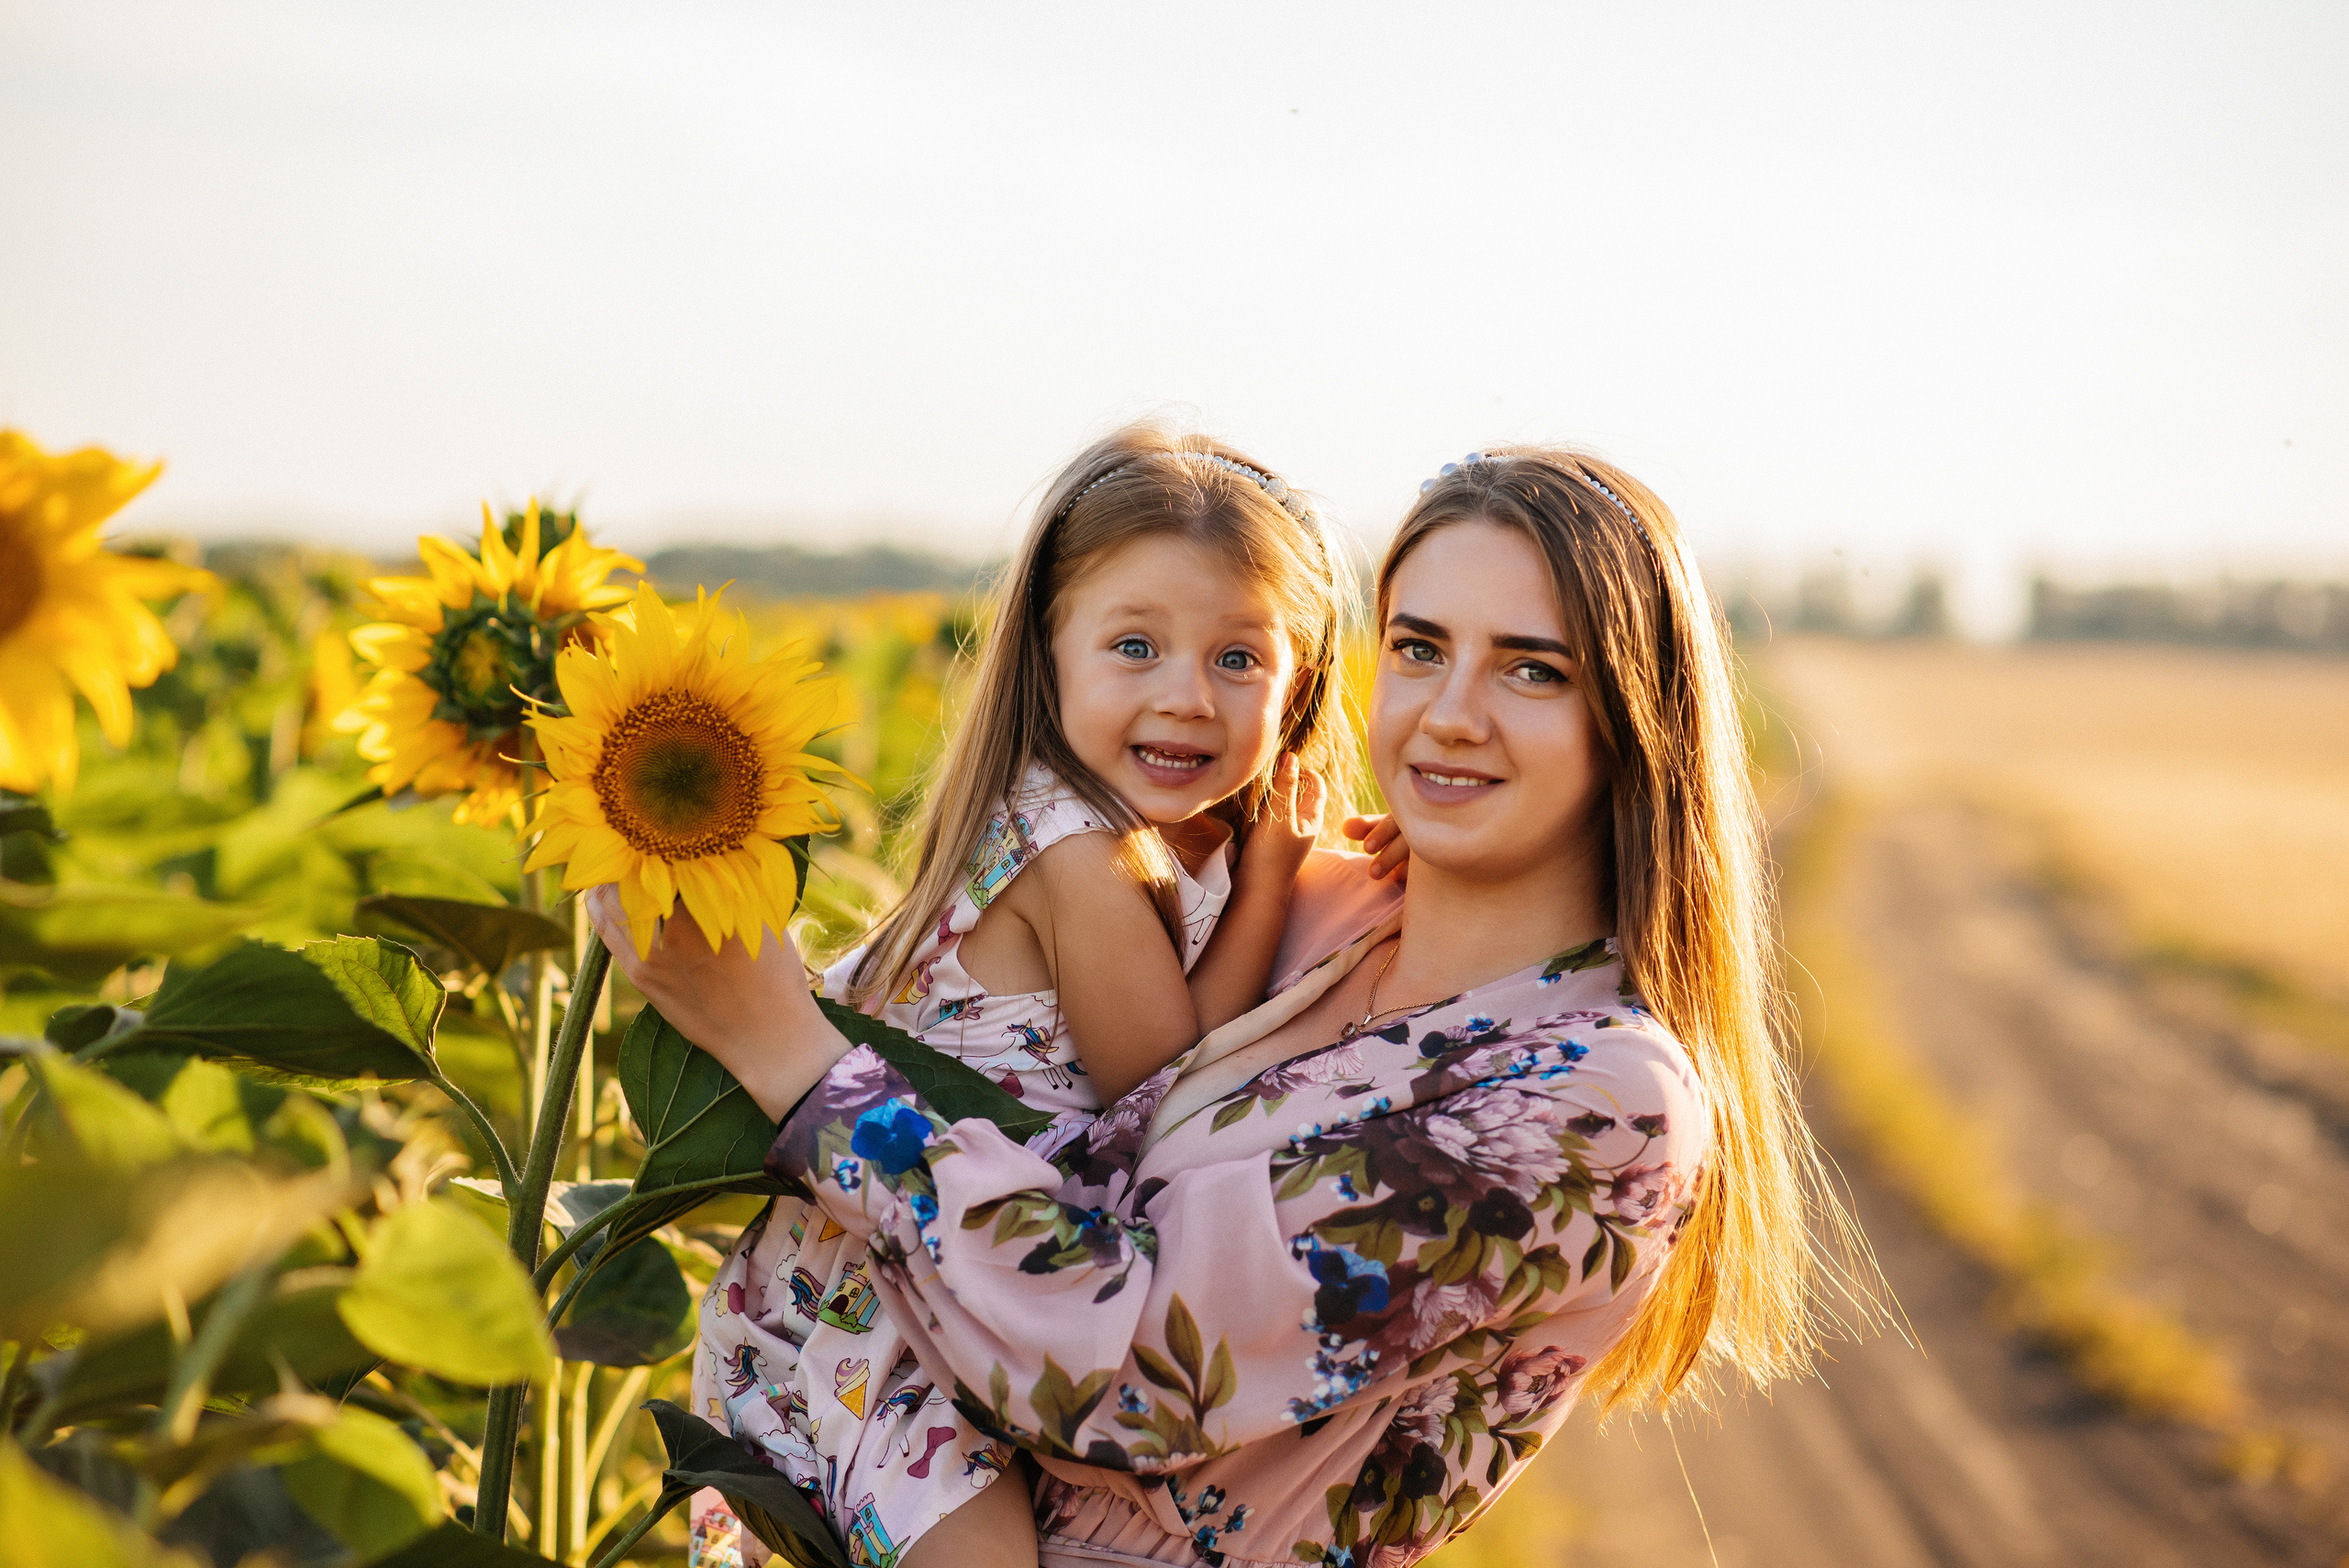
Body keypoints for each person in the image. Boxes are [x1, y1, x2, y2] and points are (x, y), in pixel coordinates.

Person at [594, 446, 1834, 1567]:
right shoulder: (1299, 902)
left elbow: (1134, 1366)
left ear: (1636, 721)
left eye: (1532, 669)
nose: (1451, 713)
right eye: (1419, 648)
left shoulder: (1597, 1096)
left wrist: (789, 1053)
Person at [667, 424, 1363, 1567]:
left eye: (1239, 658)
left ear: (1298, 682)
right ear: (1049, 656)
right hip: (875, 1315)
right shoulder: (1079, 852)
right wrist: (1273, 882)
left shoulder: (1139, 836)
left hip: (955, 1284)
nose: (1186, 695)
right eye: (1134, 645)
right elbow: (1171, 1086)